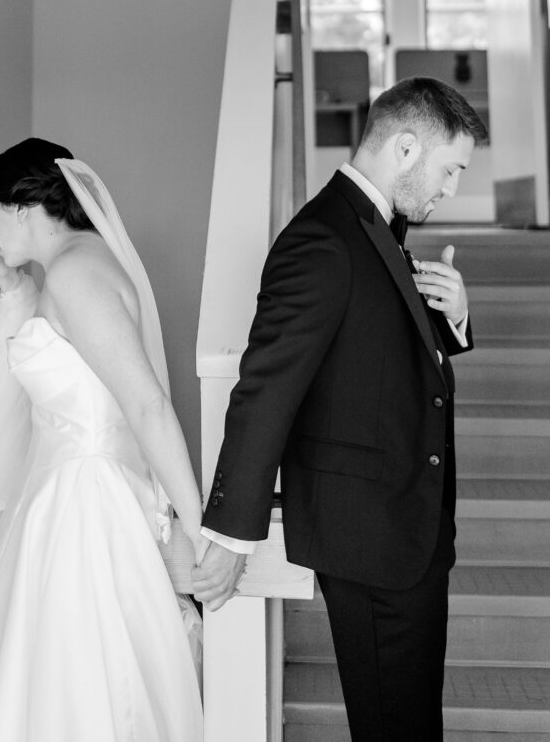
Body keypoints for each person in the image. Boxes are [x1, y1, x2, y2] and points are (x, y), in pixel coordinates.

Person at [192, 77, 488, 741]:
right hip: (370, 530)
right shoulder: (322, 240)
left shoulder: (376, 226)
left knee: (405, 721)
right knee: (394, 725)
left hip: (401, 523)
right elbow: (266, 386)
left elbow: (375, 351)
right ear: (405, 148)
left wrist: (454, 318)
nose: (449, 189)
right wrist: (233, 533)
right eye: (449, 170)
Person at [0, 138, 204, 742]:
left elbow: (147, 406)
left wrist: (196, 533)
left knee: (73, 681)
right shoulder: (66, 270)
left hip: (84, 512)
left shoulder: (76, 274)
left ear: (22, 207)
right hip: (61, 499)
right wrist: (11, 287)